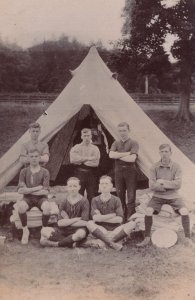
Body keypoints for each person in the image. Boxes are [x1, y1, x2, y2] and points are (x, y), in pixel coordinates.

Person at [137, 143, 195, 247]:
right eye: (162, 152)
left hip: (174, 196)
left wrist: (161, 181)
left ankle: (187, 238)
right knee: (149, 211)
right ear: (159, 153)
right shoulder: (154, 167)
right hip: (158, 196)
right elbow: (151, 185)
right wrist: (166, 186)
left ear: (171, 153)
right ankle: (146, 238)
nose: (164, 154)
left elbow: (178, 185)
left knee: (184, 211)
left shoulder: (176, 167)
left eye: (166, 151)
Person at [87, 175, 136, 251]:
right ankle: (113, 242)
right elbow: (95, 218)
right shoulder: (95, 200)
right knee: (89, 223)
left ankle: (105, 242)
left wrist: (101, 218)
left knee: (132, 223)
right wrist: (111, 215)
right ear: (99, 186)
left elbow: (119, 219)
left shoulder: (116, 199)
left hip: (116, 229)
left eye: (106, 184)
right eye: (102, 184)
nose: (104, 186)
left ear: (111, 186)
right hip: (102, 229)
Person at [40, 177, 89, 248]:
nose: (72, 188)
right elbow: (60, 223)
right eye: (70, 186)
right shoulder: (64, 201)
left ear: (79, 187)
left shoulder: (84, 201)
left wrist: (67, 221)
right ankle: (71, 242)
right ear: (67, 188)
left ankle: (56, 244)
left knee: (80, 234)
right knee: (44, 231)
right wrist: (76, 219)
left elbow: (84, 222)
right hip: (62, 230)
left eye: (75, 186)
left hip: (78, 229)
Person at [17, 149, 51, 244]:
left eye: (36, 156)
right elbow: (20, 190)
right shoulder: (24, 171)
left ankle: (43, 231)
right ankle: (25, 230)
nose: (34, 159)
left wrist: (28, 190)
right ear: (28, 158)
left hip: (41, 198)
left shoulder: (45, 172)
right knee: (21, 207)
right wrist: (37, 188)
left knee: (47, 207)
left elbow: (45, 191)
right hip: (27, 199)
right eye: (31, 157)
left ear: (40, 158)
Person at [109, 122, 139, 220]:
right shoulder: (116, 142)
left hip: (130, 172)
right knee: (120, 195)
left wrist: (118, 155)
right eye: (120, 131)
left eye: (124, 130)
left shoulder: (134, 142)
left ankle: (130, 218)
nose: (122, 133)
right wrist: (127, 153)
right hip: (118, 172)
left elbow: (132, 159)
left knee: (131, 196)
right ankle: (122, 218)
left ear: (129, 131)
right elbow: (111, 155)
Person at [70, 128, 100, 203]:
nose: (86, 138)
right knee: (78, 196)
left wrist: (81, 160)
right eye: (84, 136)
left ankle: (91, 214)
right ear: (81, 136)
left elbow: (96, 163)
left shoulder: (95, 148)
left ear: (91, 136)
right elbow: (72, 160)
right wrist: (88, 158)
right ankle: (80, 213)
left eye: (88, 135)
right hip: (79, 173)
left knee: (92, 196)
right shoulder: (76, 147)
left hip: (91, 174)